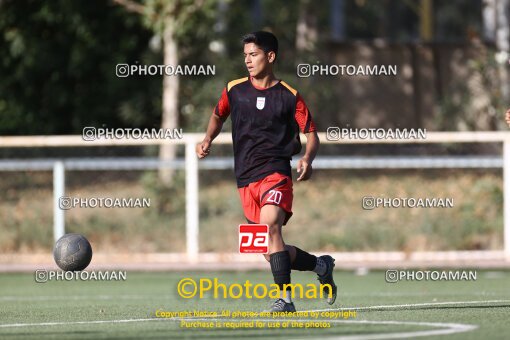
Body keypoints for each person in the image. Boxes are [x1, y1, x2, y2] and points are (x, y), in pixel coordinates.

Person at [196, 31, 337, 312]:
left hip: (276, 173)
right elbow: (217, 115)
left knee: (272, 224)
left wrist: (308, 158)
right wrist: (207, 139)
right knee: (269, 249)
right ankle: (321, 265)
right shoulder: (234, 89)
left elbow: (311, 133)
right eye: (245, 55)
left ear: (270, 56)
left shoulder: (289, 96)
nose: (247, 60)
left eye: (254, 54)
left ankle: (284, 300)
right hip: (245, 178)